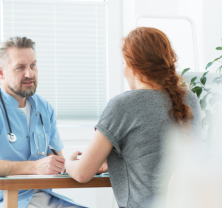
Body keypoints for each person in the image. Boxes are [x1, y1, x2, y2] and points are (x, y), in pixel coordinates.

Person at [65, 27, 202, 208]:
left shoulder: (122, 105)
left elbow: (82, 174)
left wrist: (68, 162)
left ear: (133, 66)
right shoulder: (189, 100)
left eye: (124, 63)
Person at [0, 37, 85, 208]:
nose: (30, 74)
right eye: (20, 67)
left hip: (45, 198)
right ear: (1, 73)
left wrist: (69, 163)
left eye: (33, 65)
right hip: (4, 200)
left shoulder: (44, 108)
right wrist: (33, 167)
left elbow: (53, 158)